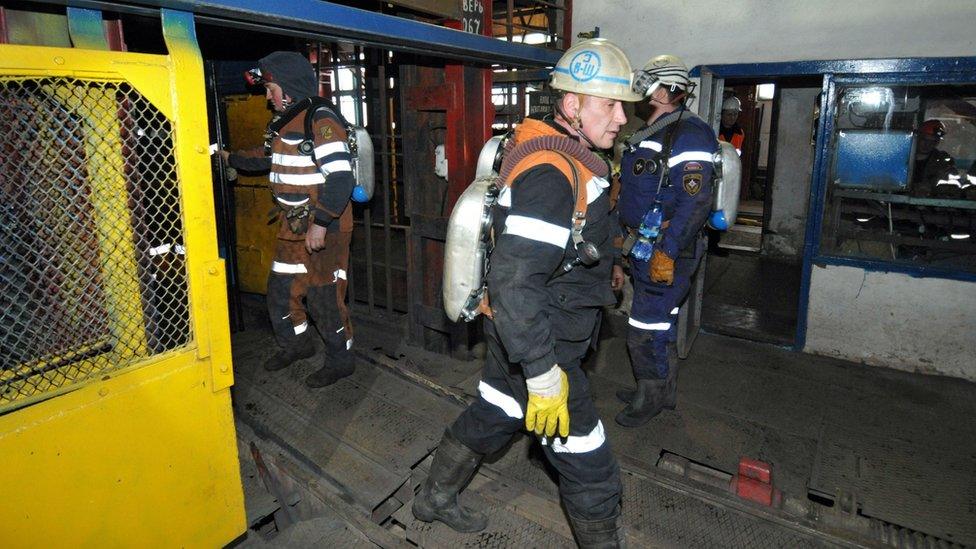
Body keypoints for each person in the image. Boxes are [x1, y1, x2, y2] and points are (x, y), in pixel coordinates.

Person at [411, 38, 639, 547]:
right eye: (610, 104)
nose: (622, 117)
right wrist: (540, 374)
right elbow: (516, 281)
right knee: (592, 467)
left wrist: (609, 265)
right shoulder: (552, 174)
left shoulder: (560, 154)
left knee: (495, 411)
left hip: (515, 332)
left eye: (622, 105)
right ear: (572, 104)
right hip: (544, 344)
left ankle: (432, 499)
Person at [221, 51, 356, 388]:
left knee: (325, 297)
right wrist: (229, 157)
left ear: (289, 88)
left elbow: (341, 178)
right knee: (281, 291)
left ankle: (341, 360)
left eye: (271, 88)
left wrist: (321, 223)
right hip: (293, 225)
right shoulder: (285, 121)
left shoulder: (321, 120)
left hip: (323, 228)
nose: (268, 97)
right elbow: (269, 159)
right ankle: (297, 344)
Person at [614, 54, 719, 427]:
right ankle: (661, 390)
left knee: (644, 328)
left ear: (662, 90)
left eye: (646, 85)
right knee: (662, 324)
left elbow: (697, 200)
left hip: (666, 251)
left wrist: (667, 251)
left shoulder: (688, 133)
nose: (638, 93)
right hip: (644, 246)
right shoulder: (653, 131)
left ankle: (651, 396)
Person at [912, 119, 959, 198]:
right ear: (917, 138)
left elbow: (951, 187)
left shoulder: (943, 161)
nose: (928, 145)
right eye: (925, 140)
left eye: (933, 141)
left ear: (937, 142)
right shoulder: (903, 157)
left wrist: (930, 188)